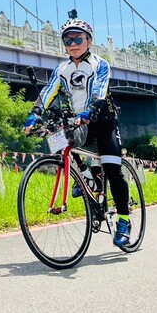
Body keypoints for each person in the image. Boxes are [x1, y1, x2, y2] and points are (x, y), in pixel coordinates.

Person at [23, 13, 132, 248]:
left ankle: (124, 220)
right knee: (58, 138)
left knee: (113, 170)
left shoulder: (99, 64)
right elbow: (48, 92)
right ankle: (85, 176)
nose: (72, 44)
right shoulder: (62, 69)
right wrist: (35, 114)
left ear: (89, 41)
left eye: (77, 39)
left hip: (103, 122)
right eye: (67, 40)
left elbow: (99, 91)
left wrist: (90, 111)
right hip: (78, 123)